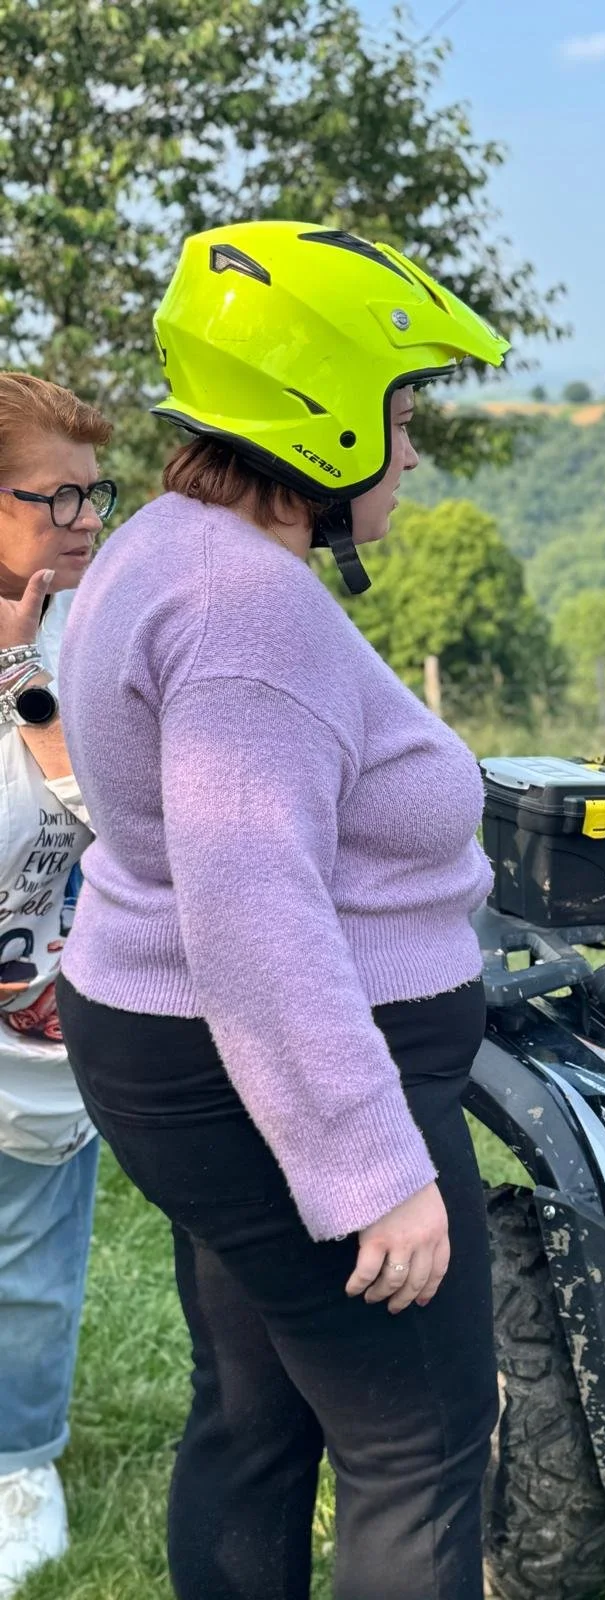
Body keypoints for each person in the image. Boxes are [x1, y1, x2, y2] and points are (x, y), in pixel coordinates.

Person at [54, 220, 509, 1600]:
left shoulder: (164, 543)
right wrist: (373, 1171)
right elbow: (254, 919)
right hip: (281, 1076)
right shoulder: (253, 614)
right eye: (404, 408)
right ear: (324, 412)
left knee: (257, 1421)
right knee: (418, 1447)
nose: (414, 448)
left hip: (186, 1058)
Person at [0, 372, 115, 1596]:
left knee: (28, 1257)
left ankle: (19, 1462)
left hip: (31, 1005)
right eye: (55, 496)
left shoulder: (95, 628)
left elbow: (115, 816)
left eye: (97, 493)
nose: (86, 518)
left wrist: (24, 671)